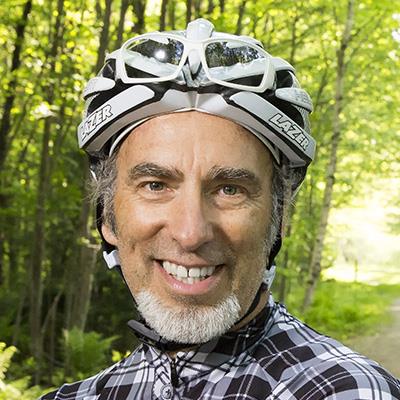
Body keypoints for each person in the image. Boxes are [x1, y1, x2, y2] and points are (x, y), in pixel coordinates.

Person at [41, 18, 400, 400]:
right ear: (108, 216)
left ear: (279, 217)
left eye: (230, 189)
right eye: (156, 185)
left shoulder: (345, 390)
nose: (190, 233)